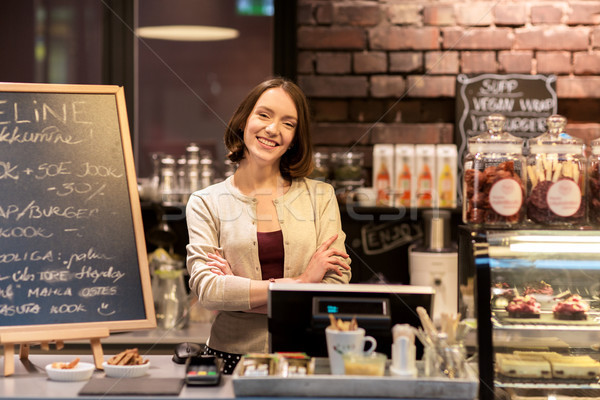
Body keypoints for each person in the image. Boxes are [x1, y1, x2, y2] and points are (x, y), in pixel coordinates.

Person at [185, 77, 351, 374]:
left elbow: (335, 287)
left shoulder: (321, 197)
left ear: (295, 139)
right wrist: (301, 284)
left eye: (288, 123)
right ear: (242, 121)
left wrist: (237, 296)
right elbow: (209, 291)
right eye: (264, 115)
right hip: (230, 359)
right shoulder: (205, 202)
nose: (273, 129)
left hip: (306, 358)